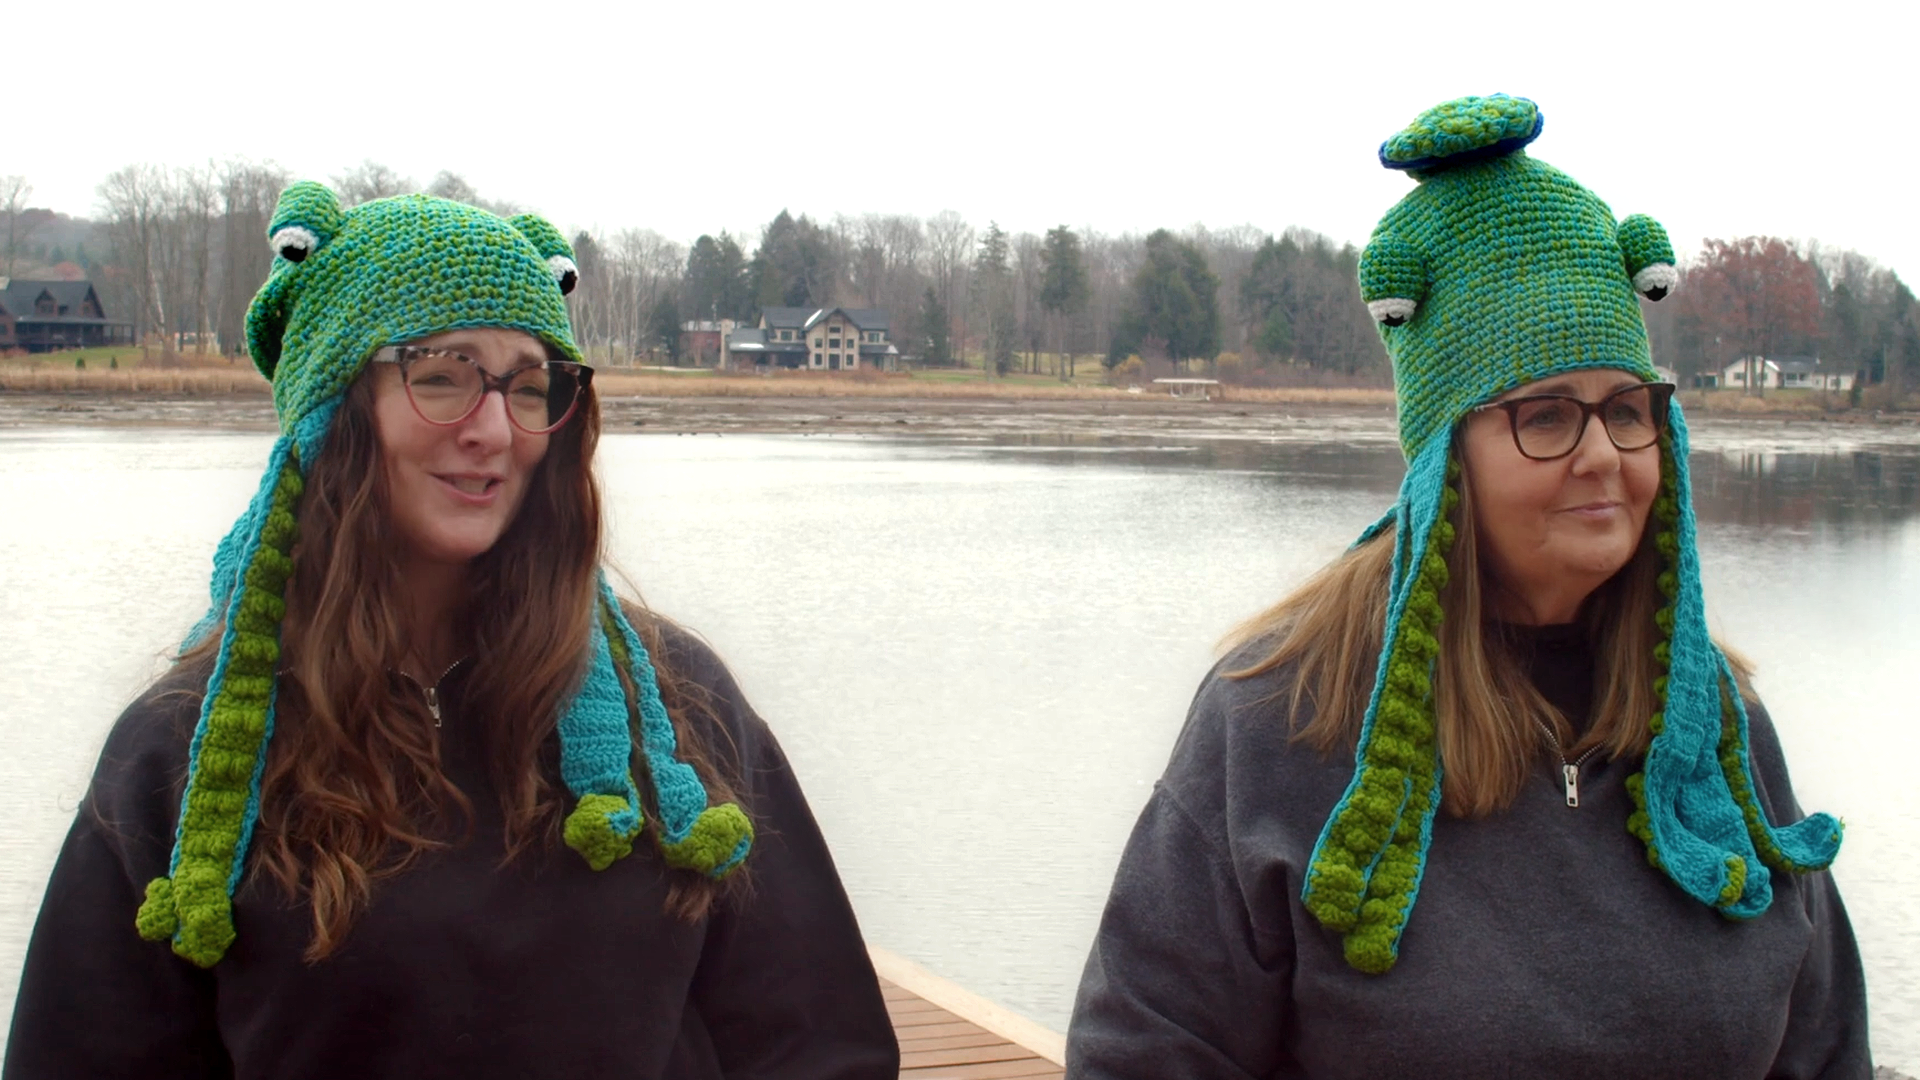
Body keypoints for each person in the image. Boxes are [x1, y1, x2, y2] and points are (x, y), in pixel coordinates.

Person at [3, 183, 899, 1079]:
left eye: (529, 387)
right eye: (441, 375)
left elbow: (819, 1041)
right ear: (334, 410)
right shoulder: (182, 755)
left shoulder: (675, 706)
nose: (494, 429)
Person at [1067, 95, 1870, 1078]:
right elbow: (1144, 1051)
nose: (1602, 455)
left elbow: (1827, 1050)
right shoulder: (1282, 718)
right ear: (1445, 463)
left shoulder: (1716, 727)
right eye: (1546, 416)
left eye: (1627, 409)